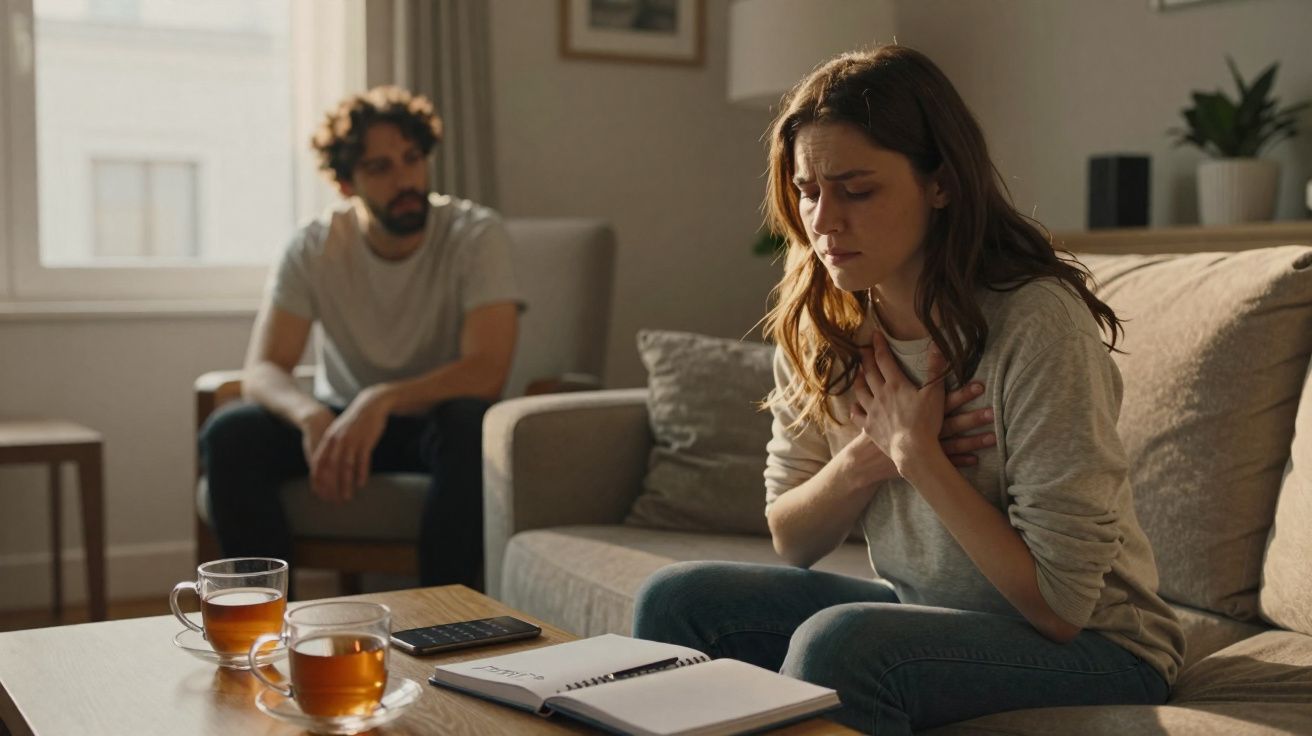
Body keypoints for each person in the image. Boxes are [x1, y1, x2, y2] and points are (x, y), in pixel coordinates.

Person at [632, 46, 1184, 734]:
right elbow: (792, 537)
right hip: (925, 608)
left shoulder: (1037, 324)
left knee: (842, 646)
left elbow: (1061, 605)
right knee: (678, 599)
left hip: (1103, 647)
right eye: (807, 191)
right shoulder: (826, 321)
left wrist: (918, 454)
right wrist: (871, 452)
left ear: (941, 184)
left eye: (857, 190)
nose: (825, 221)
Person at [199, 85, 520, 592]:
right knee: (230, 434)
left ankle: (443, 621)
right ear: (347, 184)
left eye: (412, 159)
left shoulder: (476, 235)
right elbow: (263, 368)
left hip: (433, 426)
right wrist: (309, 415)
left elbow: (487, 369)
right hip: (340, 424)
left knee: (470, 427)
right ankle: (266, 626)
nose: (405, 179)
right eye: (380, 168)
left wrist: (383, 398)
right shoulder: (314, 245)